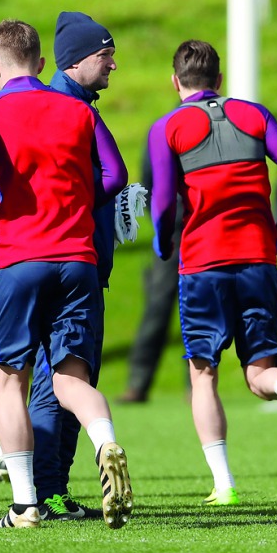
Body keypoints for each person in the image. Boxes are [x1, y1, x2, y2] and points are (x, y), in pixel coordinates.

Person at [0, 19, 132, 530]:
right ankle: (106, 443)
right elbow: (116, 174)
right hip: (78, 259)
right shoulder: (76, 108)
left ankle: (24, 505)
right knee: (70, 378)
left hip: (17, 258)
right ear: (41, 63)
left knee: (11, 381)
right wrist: (78, 204)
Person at [149, 39, 277, 507]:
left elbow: (163, 199)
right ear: (219, 81)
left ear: (175, 82)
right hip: (256, 259)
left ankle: (224, 483)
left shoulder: (168, 127)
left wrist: (162, 239)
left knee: (203, 375)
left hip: (203, 264)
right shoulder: (253, 114)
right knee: (261, 372)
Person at [26, 11, 118, 520]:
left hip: (70, 257)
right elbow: (112, 173)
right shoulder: (65, 107)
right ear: (78, 60)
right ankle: (45, 491)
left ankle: (54, 489)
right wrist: (91, 205)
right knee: (55, 378)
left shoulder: (77, 104)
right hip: (65, 258)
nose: (113, 64)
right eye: (105, 56)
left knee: (68, 375)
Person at [117, 148, 181, 404]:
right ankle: (138, 384)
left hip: (204, 229)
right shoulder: (165, 133)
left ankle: (199, 385)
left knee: (202, 310)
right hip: (172, 232)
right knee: (157, 308)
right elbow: (148, 181)